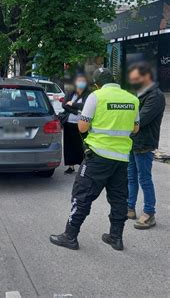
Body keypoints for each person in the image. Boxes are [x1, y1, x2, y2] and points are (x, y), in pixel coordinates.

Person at [50, 68, 139, 251]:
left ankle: (70, 236)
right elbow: (135, 128)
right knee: (119, 199)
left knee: (81, 196)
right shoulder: (132, 99)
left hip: (98, 157)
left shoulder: (96, 96)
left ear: (97, 83)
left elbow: (82, 127)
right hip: (121, 158)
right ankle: (116, 237)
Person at [126, 62, 166, 229]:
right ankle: (130, 208)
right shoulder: (140, 94)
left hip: (144, 144)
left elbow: (140, 120)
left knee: (144, 179)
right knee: (131, 177)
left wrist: (123, 120)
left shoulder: (155, 96)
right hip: (133, 142)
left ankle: (149, 213)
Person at [62, 74, 91, 174]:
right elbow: (64, 105)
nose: (81, 83)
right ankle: (71, 166)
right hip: (69, 123)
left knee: (81, 145)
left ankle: (83, 166)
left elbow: (86, 106)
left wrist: (73, 104)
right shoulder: (70, 92)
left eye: (83, 81)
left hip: (82, 124)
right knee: (69, 146)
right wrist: (76, 111)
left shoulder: (88, 94)